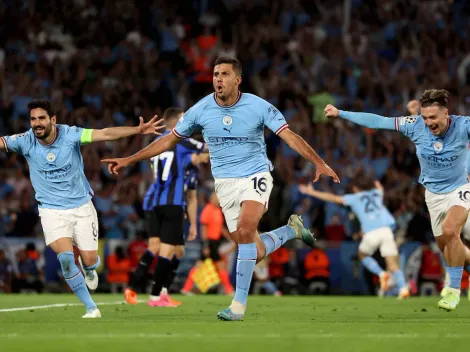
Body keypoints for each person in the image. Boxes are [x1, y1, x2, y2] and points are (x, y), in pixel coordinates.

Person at [102, 56, 339, 321]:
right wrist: (128, 159)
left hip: (255, 175)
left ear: (238, 80)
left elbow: (289, 136)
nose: (218, 79)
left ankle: (238, 306)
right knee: (253, 249)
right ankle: (290, 230)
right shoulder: (201, 109)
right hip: (225, 185)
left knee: (247, 230)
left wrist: (318, 162)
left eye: (224, 74)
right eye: (215, 74)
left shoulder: (259, 107)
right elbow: (168, 140)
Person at [0, 100, 164, 318]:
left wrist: (138, 130)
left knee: (89, 260)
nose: (37, 123)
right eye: (33, 119)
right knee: (66, 260)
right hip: (51, 210)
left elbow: (105, 134)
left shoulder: (71, 135)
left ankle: (88, 268)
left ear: (53, 120)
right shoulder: (24, 140)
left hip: (81, 206)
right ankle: (91, 307)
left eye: (41, 118)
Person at [324, 89, 470, 311]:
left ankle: (452, 290)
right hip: (433, 195)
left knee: (451, 231)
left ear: (446, 114)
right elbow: (378, 121)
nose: (429, 122)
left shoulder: (463, 126)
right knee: (449, 248)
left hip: (461, 187)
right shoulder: (415, 125)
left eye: (433, 117)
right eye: (425, 117)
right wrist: (341, 113)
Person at [123, 107, 209, 307]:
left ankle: (139, 288)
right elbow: (203, 150)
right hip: (172, 202)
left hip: (154, 200)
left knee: (169, 248)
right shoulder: (179, 141)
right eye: (183, 119)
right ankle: (157, 294)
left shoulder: (156, 144)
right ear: (177, 122)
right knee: (168, 249)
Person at [299, 175, 409, 299]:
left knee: (363, 255)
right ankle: (403, 288)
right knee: (393, 265)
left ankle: (381, 274)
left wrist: (312, 191)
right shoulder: (376, 193)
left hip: (372, 232)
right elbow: (379, 186)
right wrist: (373, 181)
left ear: (356, 188)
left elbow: (333, 198)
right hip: (387, 230)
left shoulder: (354, 198)